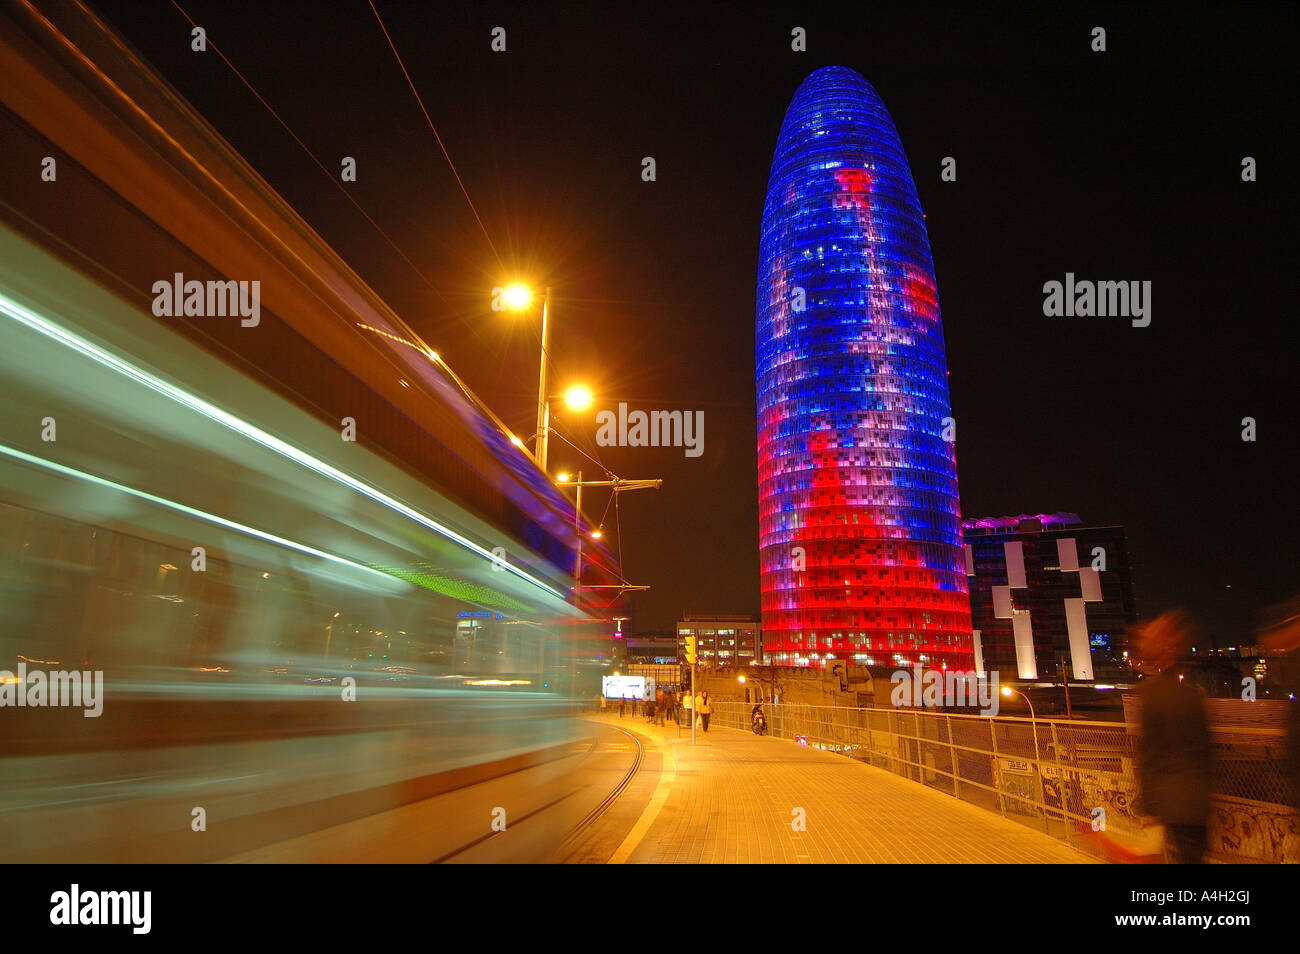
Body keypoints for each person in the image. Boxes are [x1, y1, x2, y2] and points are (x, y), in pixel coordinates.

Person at [1132, 609, 1212, 863]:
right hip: (1197, 800)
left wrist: (1149, 806)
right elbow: (1205, 749)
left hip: (1168, 799)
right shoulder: (1191, 692)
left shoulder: (1150, 692)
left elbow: (1150, 753)